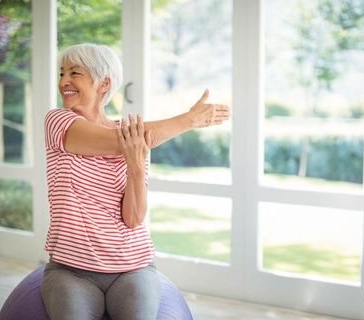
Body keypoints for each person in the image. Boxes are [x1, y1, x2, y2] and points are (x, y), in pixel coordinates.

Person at [41, 43, 230, 320]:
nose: (64, 81)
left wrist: (136, 166)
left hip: (132, 268)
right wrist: (189, 119)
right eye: (61, 73)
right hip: (71, 270)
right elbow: (118, 142)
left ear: (103, 82)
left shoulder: (133, 139)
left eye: (74, 73)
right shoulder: (58, 121)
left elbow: (133, 218)